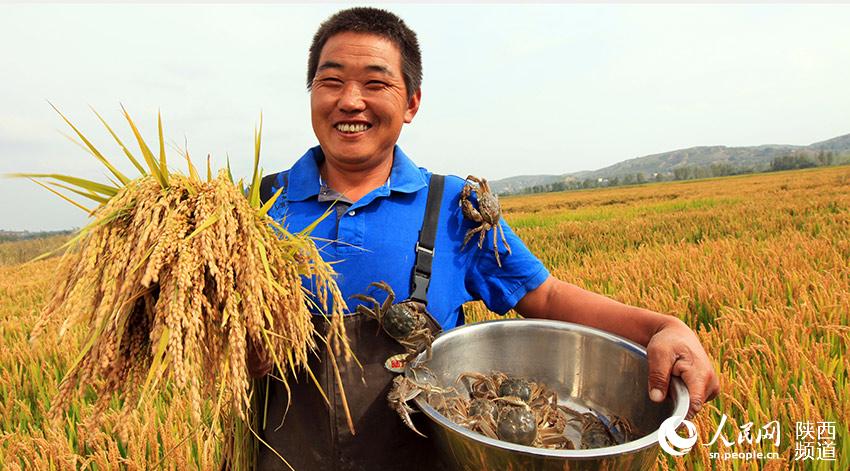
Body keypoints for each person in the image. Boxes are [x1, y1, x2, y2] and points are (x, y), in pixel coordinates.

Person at [253, 7, 719, 470]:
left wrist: (661, 327)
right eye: (331, 81)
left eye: (376, 83)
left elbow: (547, 297)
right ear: (311, 92)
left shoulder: (455, 206)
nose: (351, 100)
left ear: (412, 102)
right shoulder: (256, 208)